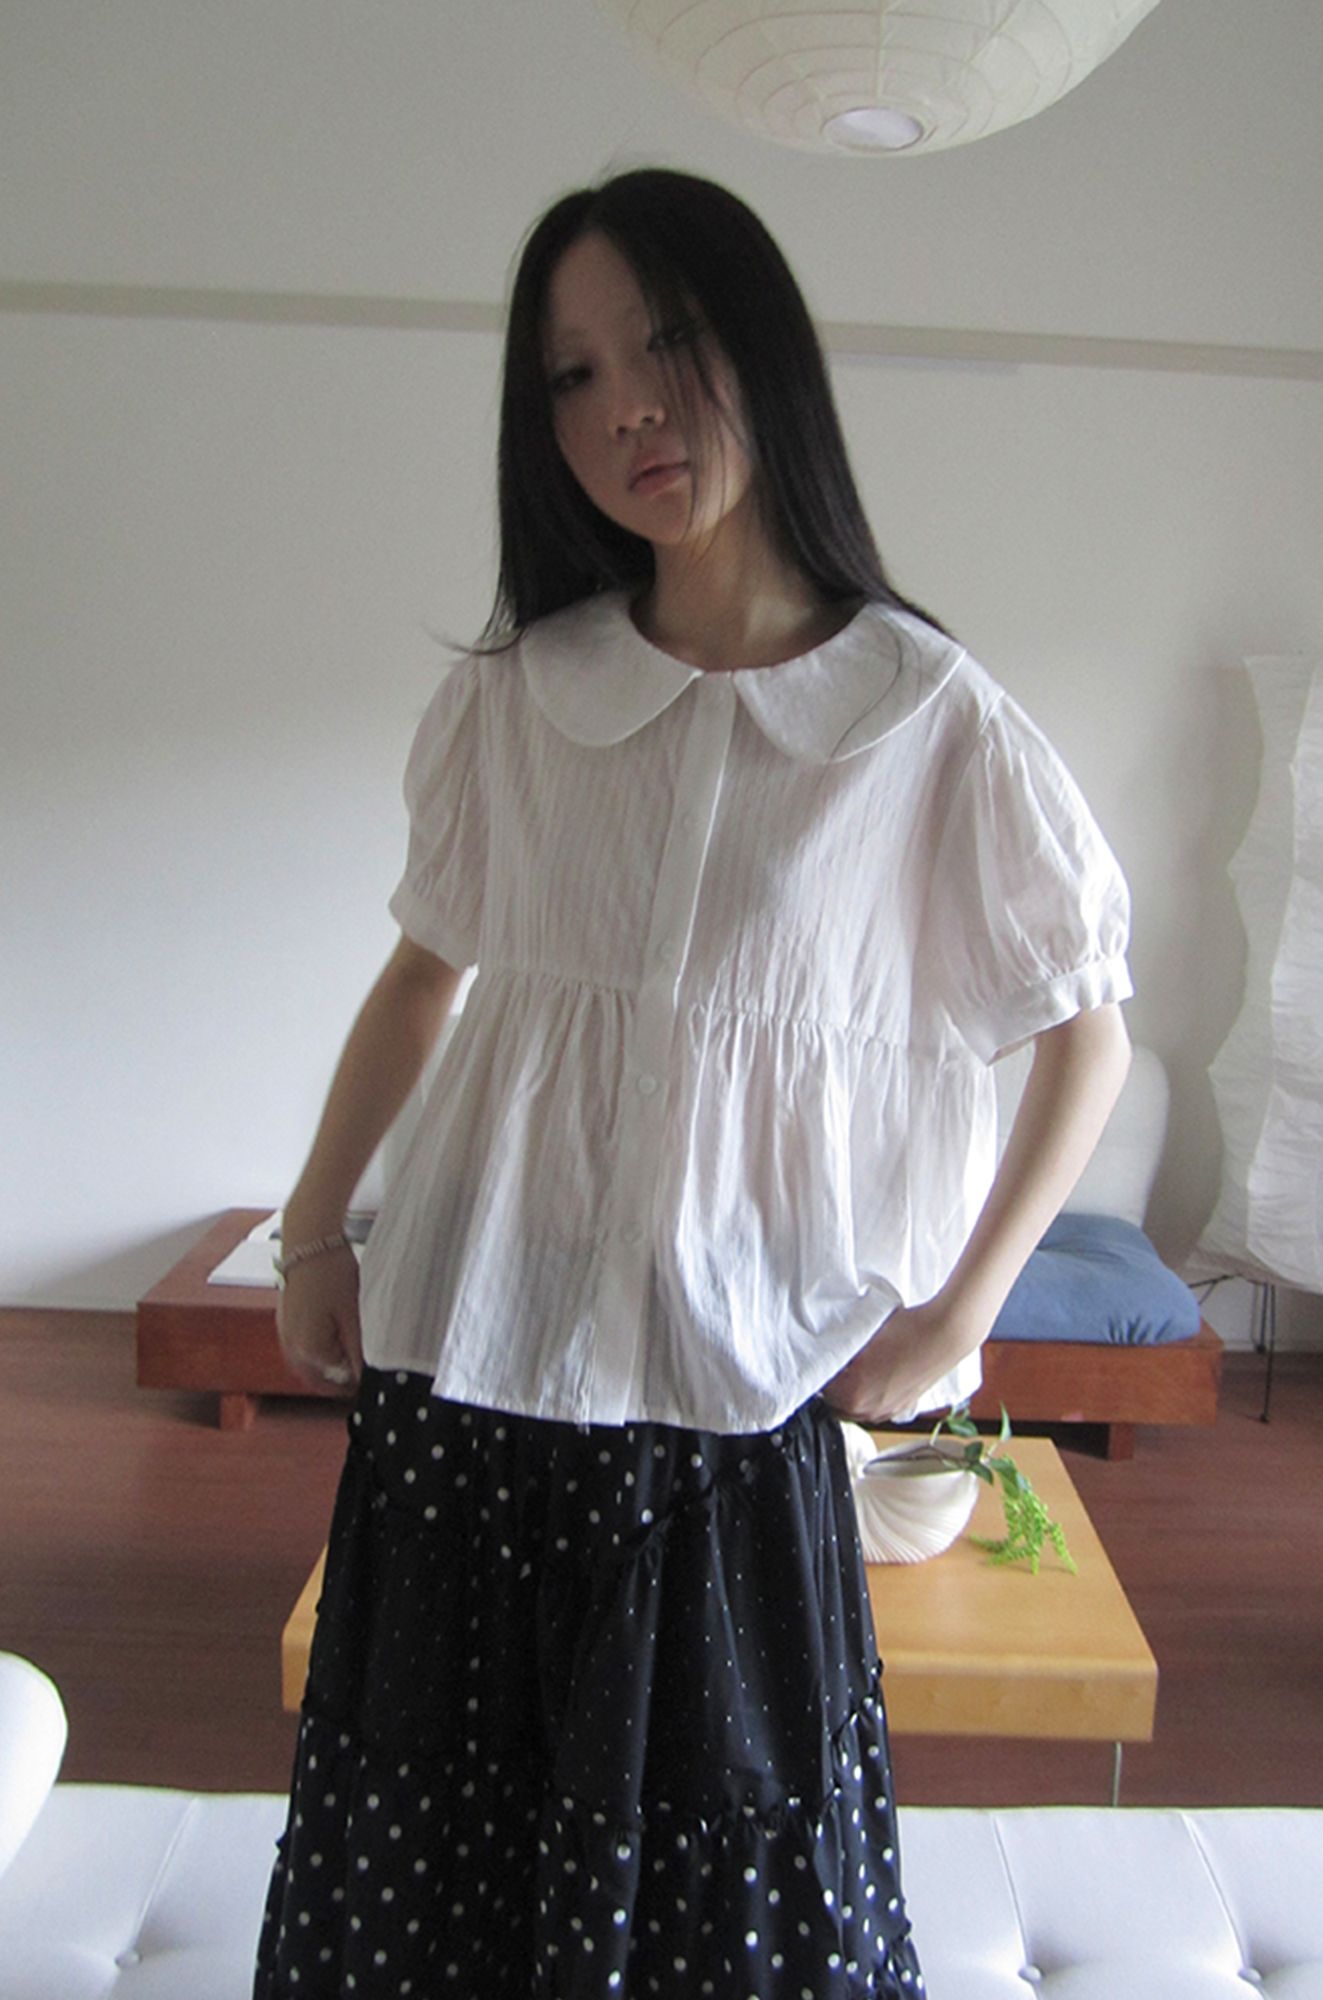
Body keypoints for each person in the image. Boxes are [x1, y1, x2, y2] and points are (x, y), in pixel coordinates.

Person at [255, 166, 1132, 2000]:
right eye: (572, 375)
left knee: (733, 1885)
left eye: (665, 343)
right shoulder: (525, 695)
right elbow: (425, 975)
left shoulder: (923, 720)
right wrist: (317, 1230)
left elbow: (1086, 1028)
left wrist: (957, 1313)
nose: (627, 410)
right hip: (474, 1357)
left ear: (765, 351)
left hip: (734, 1381)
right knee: (436, 1859)